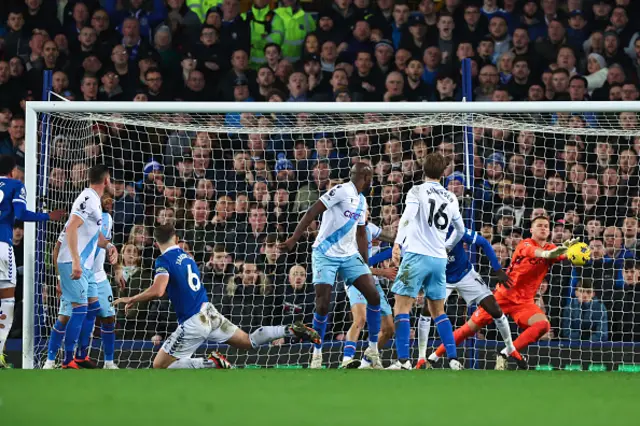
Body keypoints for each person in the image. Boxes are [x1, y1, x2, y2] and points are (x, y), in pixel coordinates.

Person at [113, 225, 319, 369]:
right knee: (248, 341)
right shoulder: (188, 258)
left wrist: (132, 298)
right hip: (209, 313)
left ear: (157, 243)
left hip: (194, 322)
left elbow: (158, 290)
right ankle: (289, 329)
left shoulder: (163, 259)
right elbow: (173, 288)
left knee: (159, 365)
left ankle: (211, 362)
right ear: (176, 239)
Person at [430, 216, 580, 370]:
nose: (543, 228)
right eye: (539, 225)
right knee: (468, 329)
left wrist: (576, 251)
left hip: (524, 302)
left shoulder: (551, 248)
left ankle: (505, 353)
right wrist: (551, 254)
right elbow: (537, 252)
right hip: (503, 297)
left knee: (543, 325)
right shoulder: (525, 244)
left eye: (546, 226)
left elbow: (565, 255)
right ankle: (434, 357)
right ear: (531, 230)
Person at [279, 163, 382, 369]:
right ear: (365, 177)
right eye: (370, 177)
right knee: (323, 304)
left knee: (374, 296)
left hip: (349, 255)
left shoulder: (362, 201)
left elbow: (361, 233)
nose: (372, 181)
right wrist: (294, 238)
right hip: (325, 253)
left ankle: (373, 350)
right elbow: (312, 211)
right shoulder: (340, 191)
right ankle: (317, 354)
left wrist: (365, 264)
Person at [387, 152, 465, 370]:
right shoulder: (451, 198)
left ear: (423, 169)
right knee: (438, 310)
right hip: (439, 260)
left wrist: (397, 243)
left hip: (416, 257)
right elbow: (460, 230)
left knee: (401, 307)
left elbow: (408, 217)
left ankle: (403, 361)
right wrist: (447, 246)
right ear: (444, 173)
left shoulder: (417, 191)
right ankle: (453, 359)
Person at [415, 226, 524, 370]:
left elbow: (484, 243)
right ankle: (421, 358)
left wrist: (497, 268)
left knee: (495, 309)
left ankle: (510, 347)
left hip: (465, 274)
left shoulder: (456, 229)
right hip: (441, 278)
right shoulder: (424, 234)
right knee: (427, 310)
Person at [44, 164, 118, 369]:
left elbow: (96, 236)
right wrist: (76, 260)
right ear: (106, 180)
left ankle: (80, 356)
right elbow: (71, 228)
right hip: (72, 263)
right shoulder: (87, 199)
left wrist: (110, 245)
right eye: (110, 179)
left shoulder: (95, 202)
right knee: (78, 310)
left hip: (85, 267)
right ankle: (66, 361)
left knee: (94, 308)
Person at [0, 156, 65, 368]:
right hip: (2, 246)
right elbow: (21, 213)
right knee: (7, 299)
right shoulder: (15, 185)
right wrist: (48, 216)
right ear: (12, 171)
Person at [341, 219, 397, 369]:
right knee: (360, 319)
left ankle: (367, 360)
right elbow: (357, 266)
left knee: (389, 328)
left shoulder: (370, 227)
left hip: (373, 282)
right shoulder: (347, 234)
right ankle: (347, 359)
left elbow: (392, 238)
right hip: (356, 279)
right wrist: (383, 272)